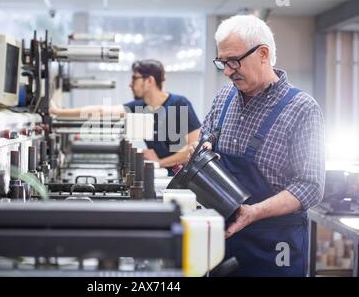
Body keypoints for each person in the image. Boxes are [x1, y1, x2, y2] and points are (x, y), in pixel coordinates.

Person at [192, 15, 325, 276]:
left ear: (263, 54)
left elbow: (310, 186)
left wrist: (252, 212)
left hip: (274, 249)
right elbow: (204, 143)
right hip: (225, 244)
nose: (228, 71)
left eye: (233, 61)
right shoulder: (223, 98)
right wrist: (200, 152)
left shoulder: (302, 109)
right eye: (222, 62)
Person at [50, 59, 201, 174]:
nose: (130, 84)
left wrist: (160, 162)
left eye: (134, 79)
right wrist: (58, 112)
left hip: (187, 179)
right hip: (163, 178)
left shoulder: (180, 104)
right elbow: (101, 111)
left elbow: (194, 148)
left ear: (149, 81)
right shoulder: (140, 107)